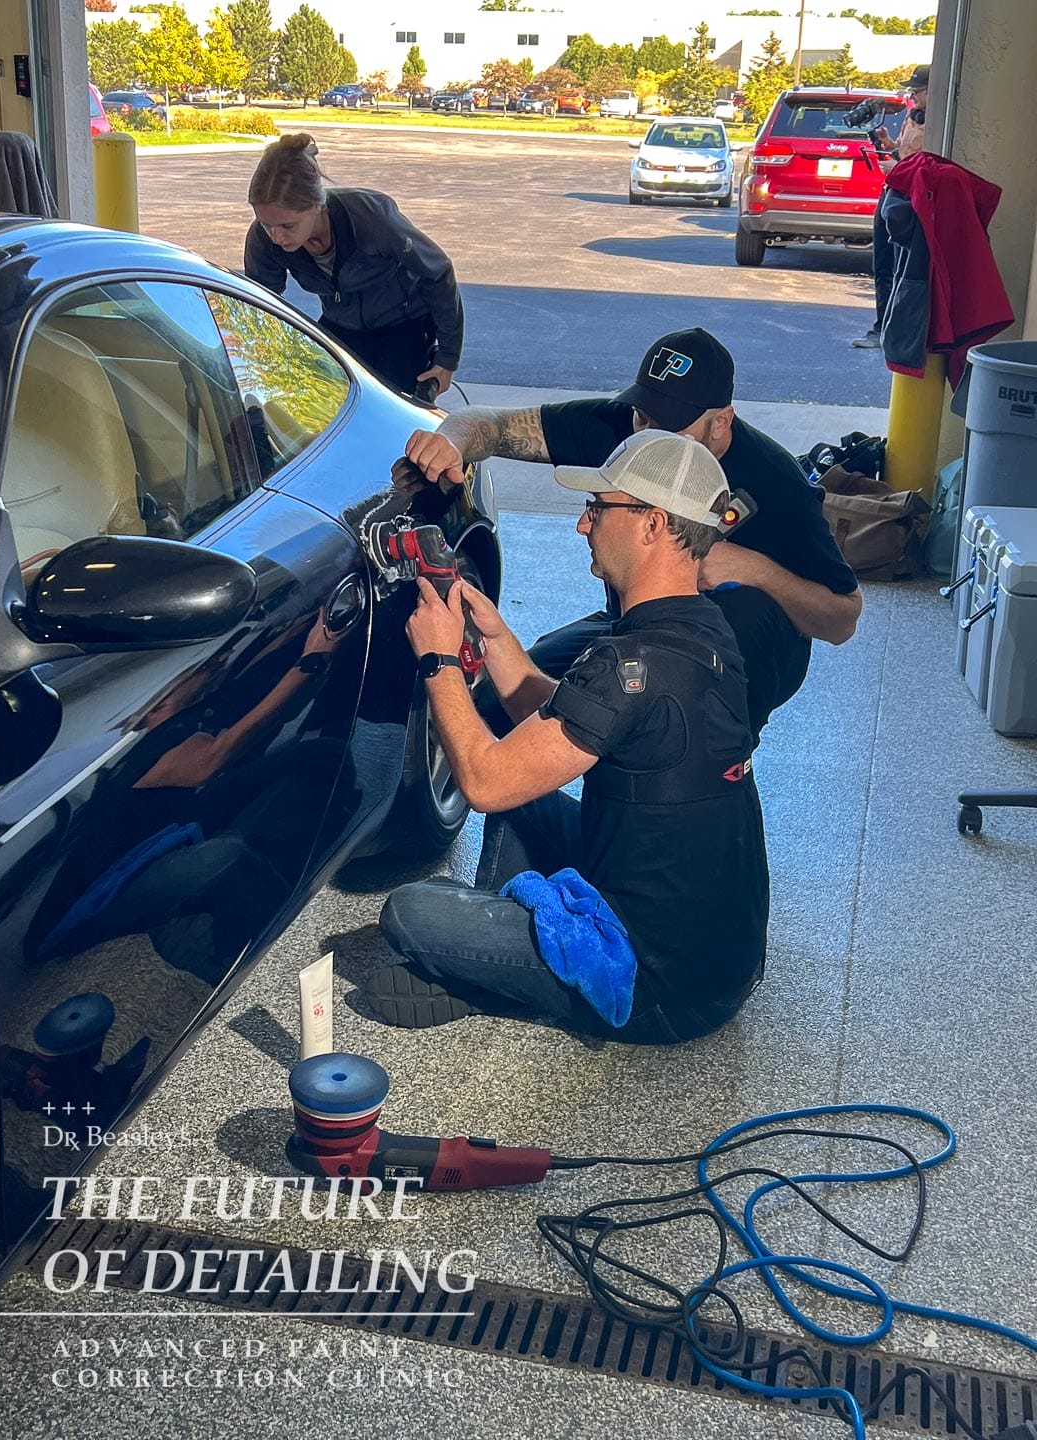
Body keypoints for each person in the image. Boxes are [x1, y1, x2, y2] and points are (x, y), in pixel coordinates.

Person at [365, 431, 769, 1041]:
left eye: (598, 508)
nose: (583, 526)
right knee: (529, 791)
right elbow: (575, 724)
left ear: (652, 523)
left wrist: (439, 661)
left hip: (659, 989)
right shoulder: (704, 629)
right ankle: (499, 959)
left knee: (410, 913)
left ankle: (497, 970)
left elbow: (484, 782)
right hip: (720, 963)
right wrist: (499, 643)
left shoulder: (627, 664)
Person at [402, 327, 861, 744]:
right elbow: (495, 424)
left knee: (732, 632)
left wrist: (754, 569)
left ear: (721, 421)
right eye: (644, 416)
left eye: (670, 424)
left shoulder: (777, 482)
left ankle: (718, 755)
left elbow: (842, 619)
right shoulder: (629, 431)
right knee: (502, 703)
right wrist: (452, 440)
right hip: (633, 622)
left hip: (735, 646)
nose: (649, 438)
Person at [244, 133, 464, 398]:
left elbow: (438, 272)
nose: (276, 237)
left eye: (287, 226)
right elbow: (259, 303)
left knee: (389, 406)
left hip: (404, 325)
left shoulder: (373, 218)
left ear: (316, 205)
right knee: (320, 403)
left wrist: (447, 360)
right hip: (341, 324)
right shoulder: (263, 239)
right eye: (267, 224)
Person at [853, 65, 930, 350]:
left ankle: (895, 330)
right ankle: (880, 326)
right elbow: (904, 151)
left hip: (911, 199)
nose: (912, 95)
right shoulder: (912, 117)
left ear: (933, 91)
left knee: (901, 268)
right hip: (892, 191)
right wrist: (889, 145)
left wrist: (897, 166)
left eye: (917, 90)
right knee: (882, 265)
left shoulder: (937, 125)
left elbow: (927, 166)